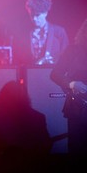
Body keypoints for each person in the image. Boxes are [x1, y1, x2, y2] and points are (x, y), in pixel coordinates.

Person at [0, 81, 51, 164]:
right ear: (25, 97)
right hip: (27, 165)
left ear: (2, 96)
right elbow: (45, 145)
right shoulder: (38, 117)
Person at [50, 18, 87, 156]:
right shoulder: (74, 50)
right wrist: (72, 84)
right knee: (78, 150)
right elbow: (55, 74)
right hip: (78, 107)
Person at [25, 0, 69, 65]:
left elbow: (67, 57)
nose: (34, 19)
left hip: (52, 73)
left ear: (45, 13)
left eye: (37, 15)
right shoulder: (25, 33)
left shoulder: (59, 31)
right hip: (31, 73)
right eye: (32, 15)